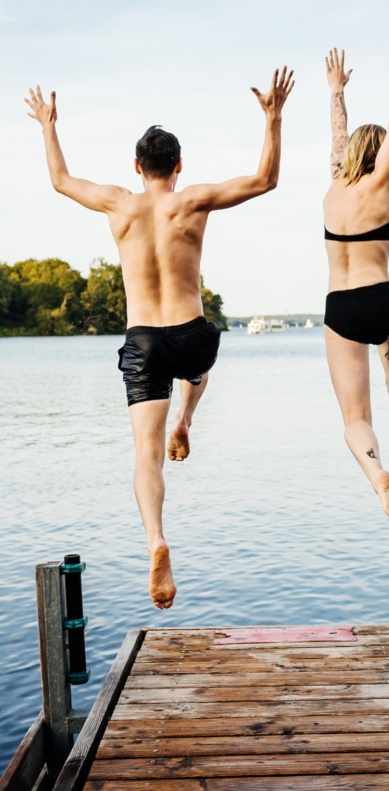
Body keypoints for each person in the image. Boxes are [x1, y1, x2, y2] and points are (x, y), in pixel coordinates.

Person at [25, 68, 294, 608]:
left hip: (142, 338)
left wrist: (49, 126)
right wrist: (273, 117)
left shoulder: (117, 203)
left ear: (136, 167)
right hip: (191, 334)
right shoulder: (191, 200)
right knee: (202, 357)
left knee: (146, 457)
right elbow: (265, 180)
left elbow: (60, 180)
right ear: (177, 167)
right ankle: (187, 416)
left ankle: (155, 539)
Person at [323, 0, 389, 529]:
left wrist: (335, 91)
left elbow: (339, 132)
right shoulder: (382, 185)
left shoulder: (335, 184)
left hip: (340, 311)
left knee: (354, 420)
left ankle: (380, 479)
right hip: (383, 304)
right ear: (379, 156)